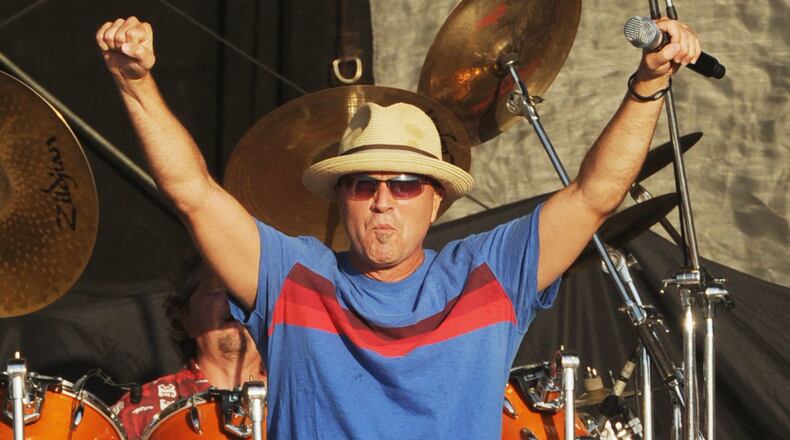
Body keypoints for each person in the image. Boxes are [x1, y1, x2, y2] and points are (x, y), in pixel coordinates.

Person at [96, 15, 701, 439]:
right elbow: (193, 194)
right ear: (342, 200)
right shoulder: (291, 276)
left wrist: (647, 86)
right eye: (365, 184)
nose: (385, 200)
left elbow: (595, 195)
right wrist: (135, 83)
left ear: (434, 202)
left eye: (406, 184)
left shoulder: (489, 271)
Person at [110, 261, 266, 439]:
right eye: (216, 284)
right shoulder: (140, 408)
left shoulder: (296, 399)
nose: (234, 297)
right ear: (185, 317)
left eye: (244, 285)